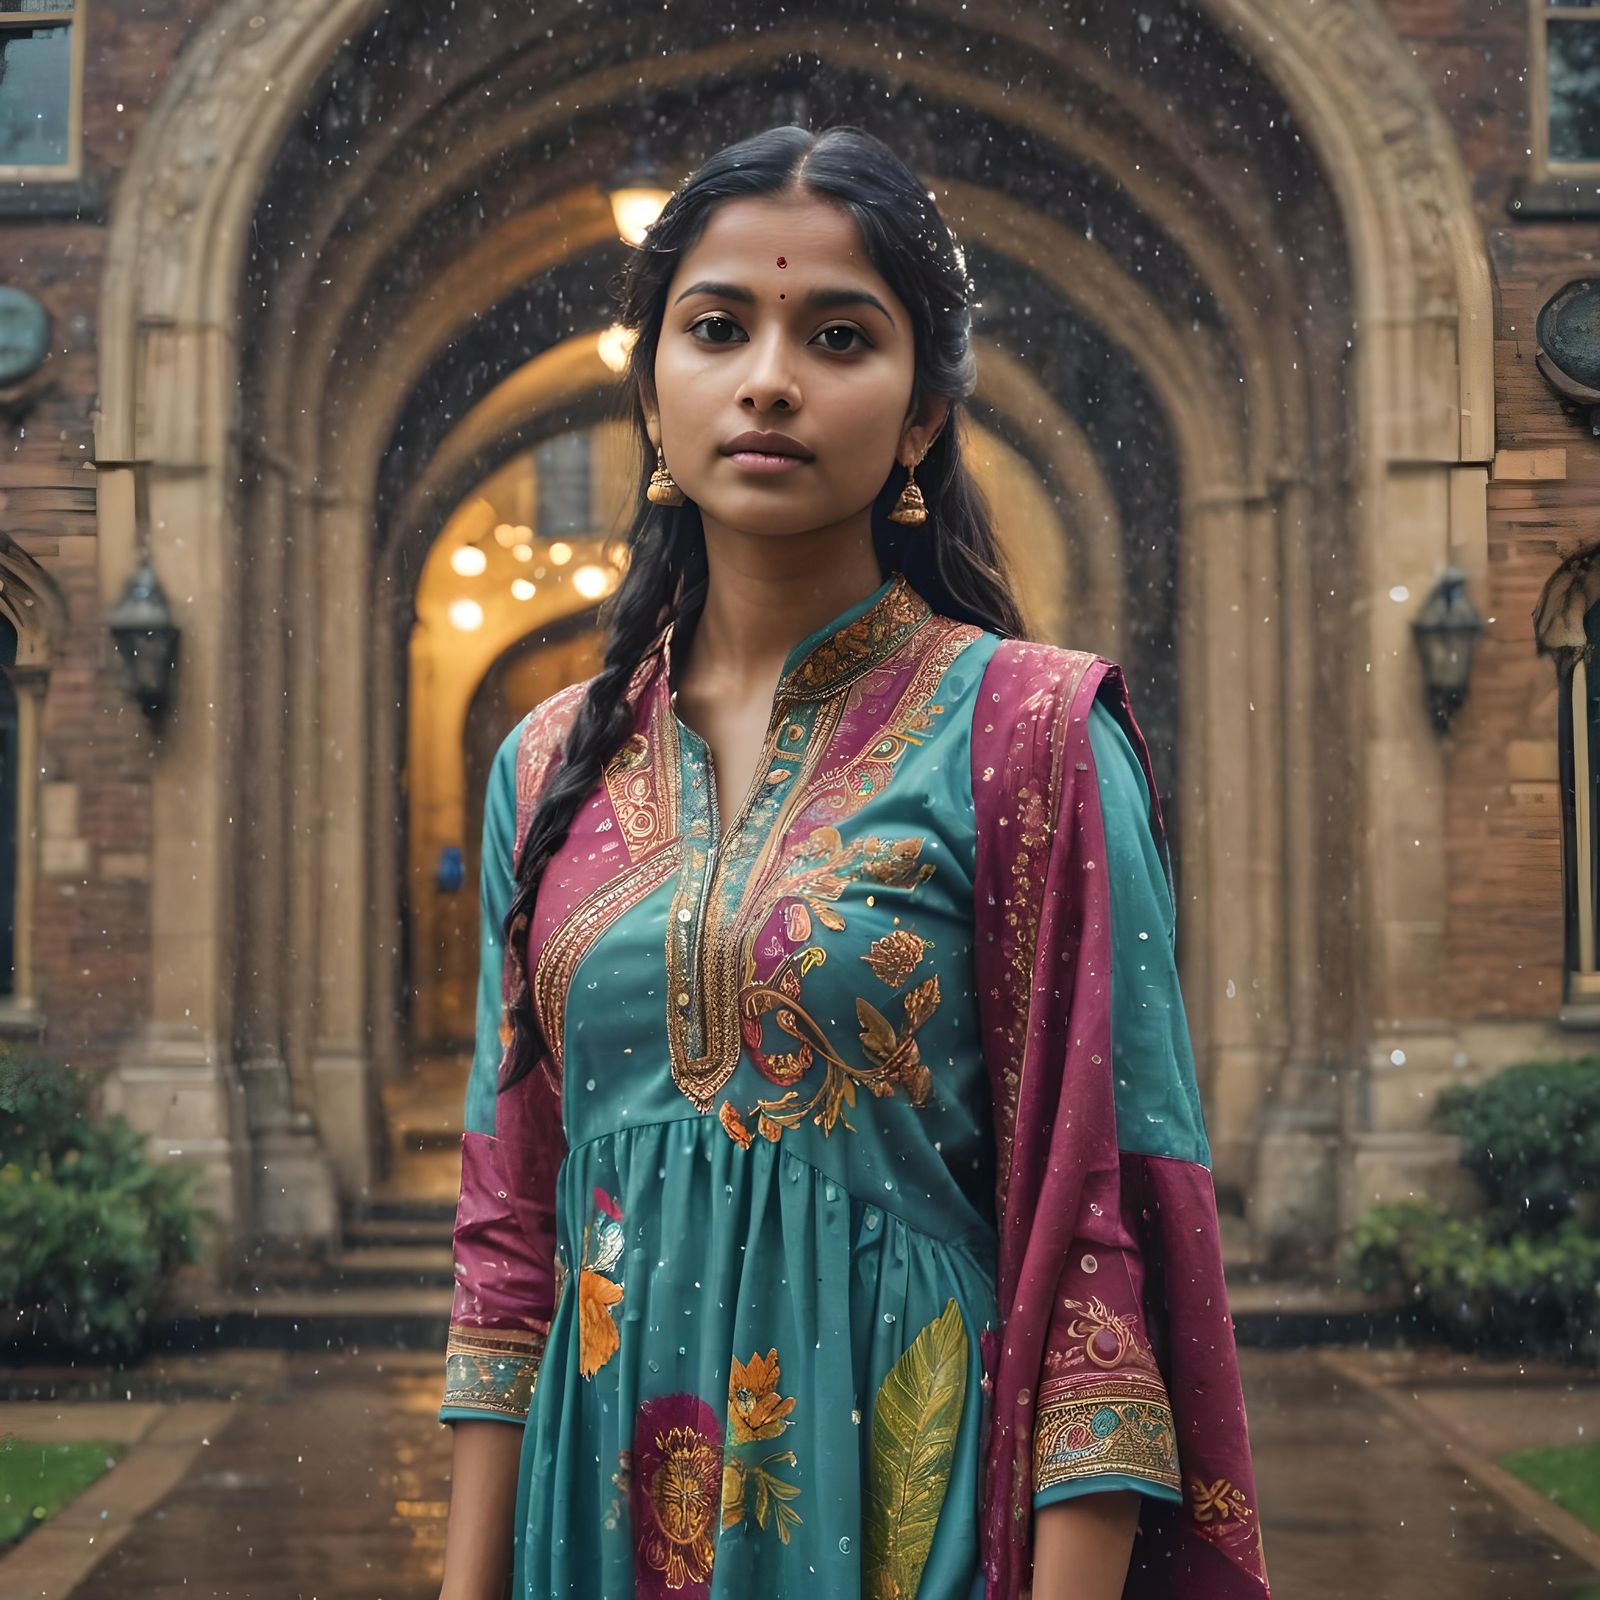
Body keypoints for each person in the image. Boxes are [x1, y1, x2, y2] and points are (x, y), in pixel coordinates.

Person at [436, 124, 1268, 1600]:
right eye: (717, 328)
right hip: (600, 1503)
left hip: (906, 1493)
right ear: (651, 391)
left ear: (924, 412)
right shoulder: (549, 763)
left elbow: (1108, 1223)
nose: (770, 379)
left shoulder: (1032, 737)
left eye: (838, 336)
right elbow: (510, 1227)